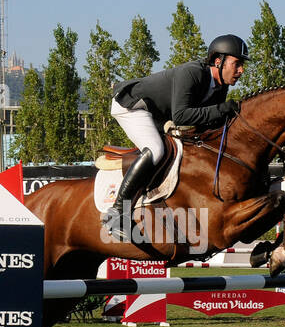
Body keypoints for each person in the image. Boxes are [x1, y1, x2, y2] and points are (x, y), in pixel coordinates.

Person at [100, 34, 249, 241]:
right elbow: (181, 115)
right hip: (132, 106)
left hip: (158, 113)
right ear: (218, 61)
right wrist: (221, 109)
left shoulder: (220, 86)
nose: (241, 70)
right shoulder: (192, 73)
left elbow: (206, 123)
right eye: (237, 64)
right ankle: (116, 212)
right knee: (156, 149)